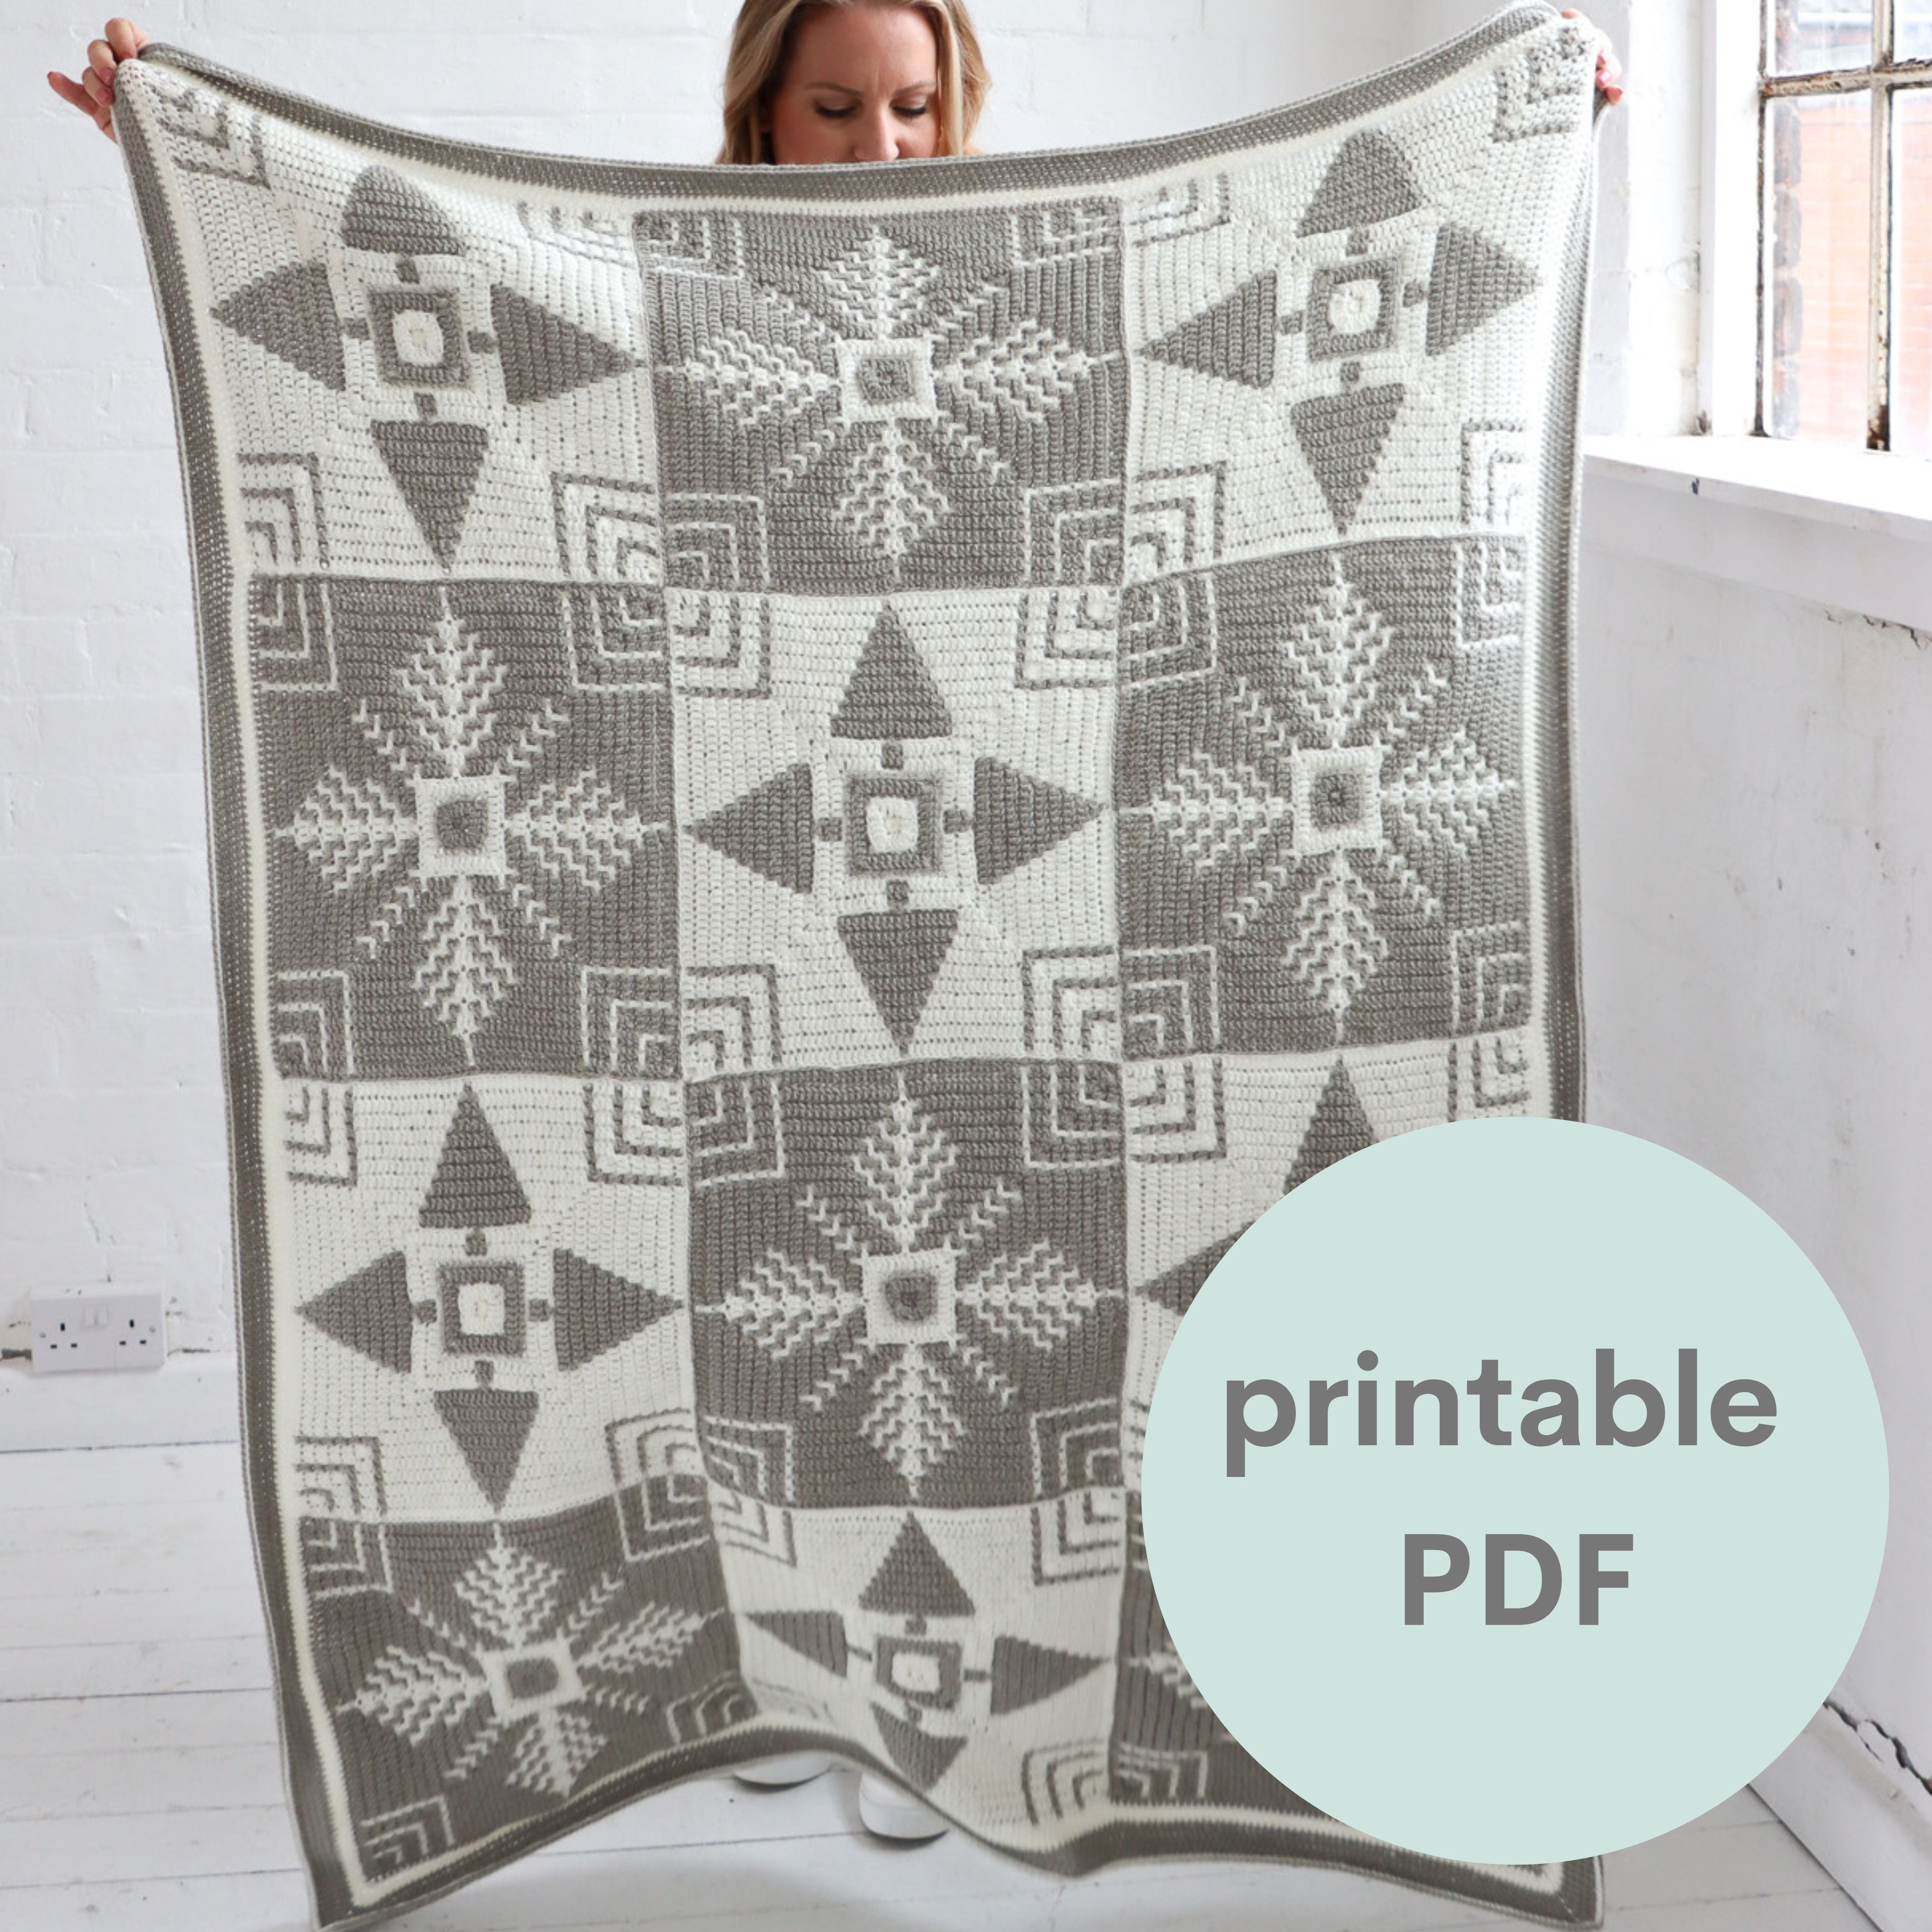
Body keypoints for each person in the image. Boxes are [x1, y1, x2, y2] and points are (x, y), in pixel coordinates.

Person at [48, 0, 1620, 1854]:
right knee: (755, 1307)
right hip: (742, 953)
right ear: (759, 111)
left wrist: (1523, 122)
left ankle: (950, 1707)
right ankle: (783, 1687)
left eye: (914, 105)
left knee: (987, 1310)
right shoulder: (656, 299)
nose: (882, 144)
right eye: (836, 104)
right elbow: (433, 349)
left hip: (1028, 955)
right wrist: (188, 149)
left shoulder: (1054, 300)